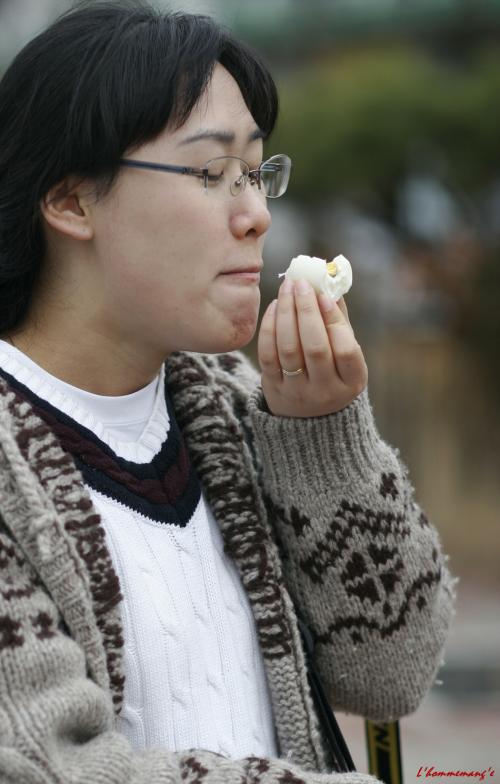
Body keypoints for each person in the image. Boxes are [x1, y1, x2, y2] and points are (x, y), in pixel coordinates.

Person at [0, 2, 456, 783]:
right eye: (212, 174)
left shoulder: (235, 407)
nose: (255, 216)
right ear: (71, 200)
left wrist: (322, 437)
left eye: (258, 172)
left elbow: (391, 674)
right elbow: (48, 766)